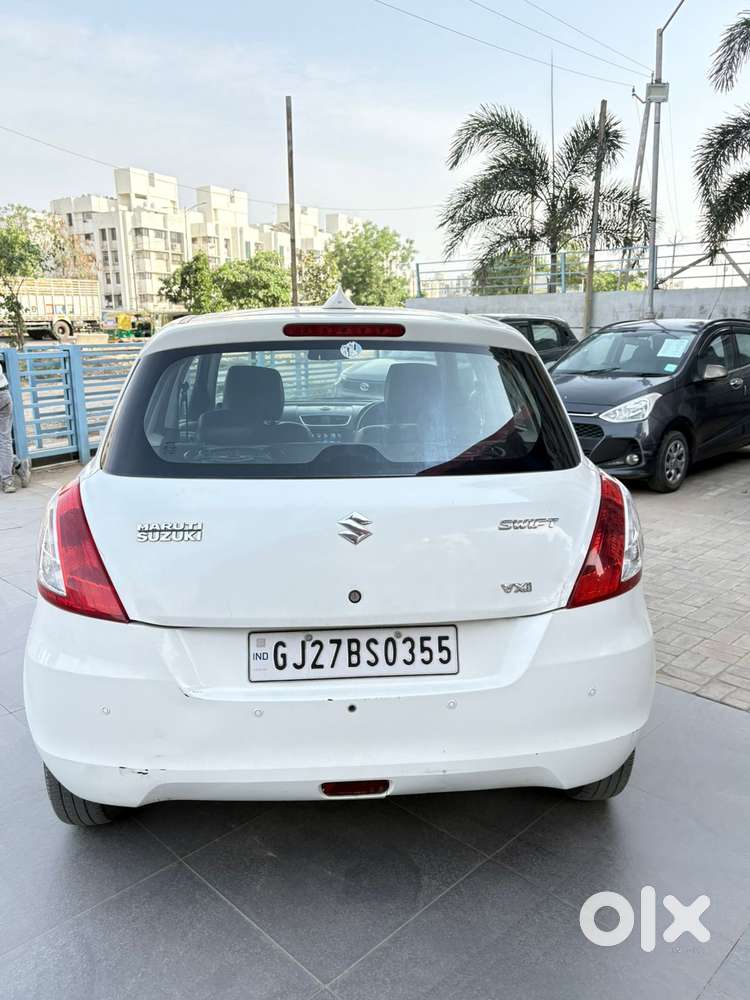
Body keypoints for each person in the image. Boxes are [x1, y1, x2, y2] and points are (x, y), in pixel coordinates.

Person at [0, 362, 31, 494]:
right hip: (3, 393)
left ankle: (8, 480)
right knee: (4, 439)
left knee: (3, 440)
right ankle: (18, 465)